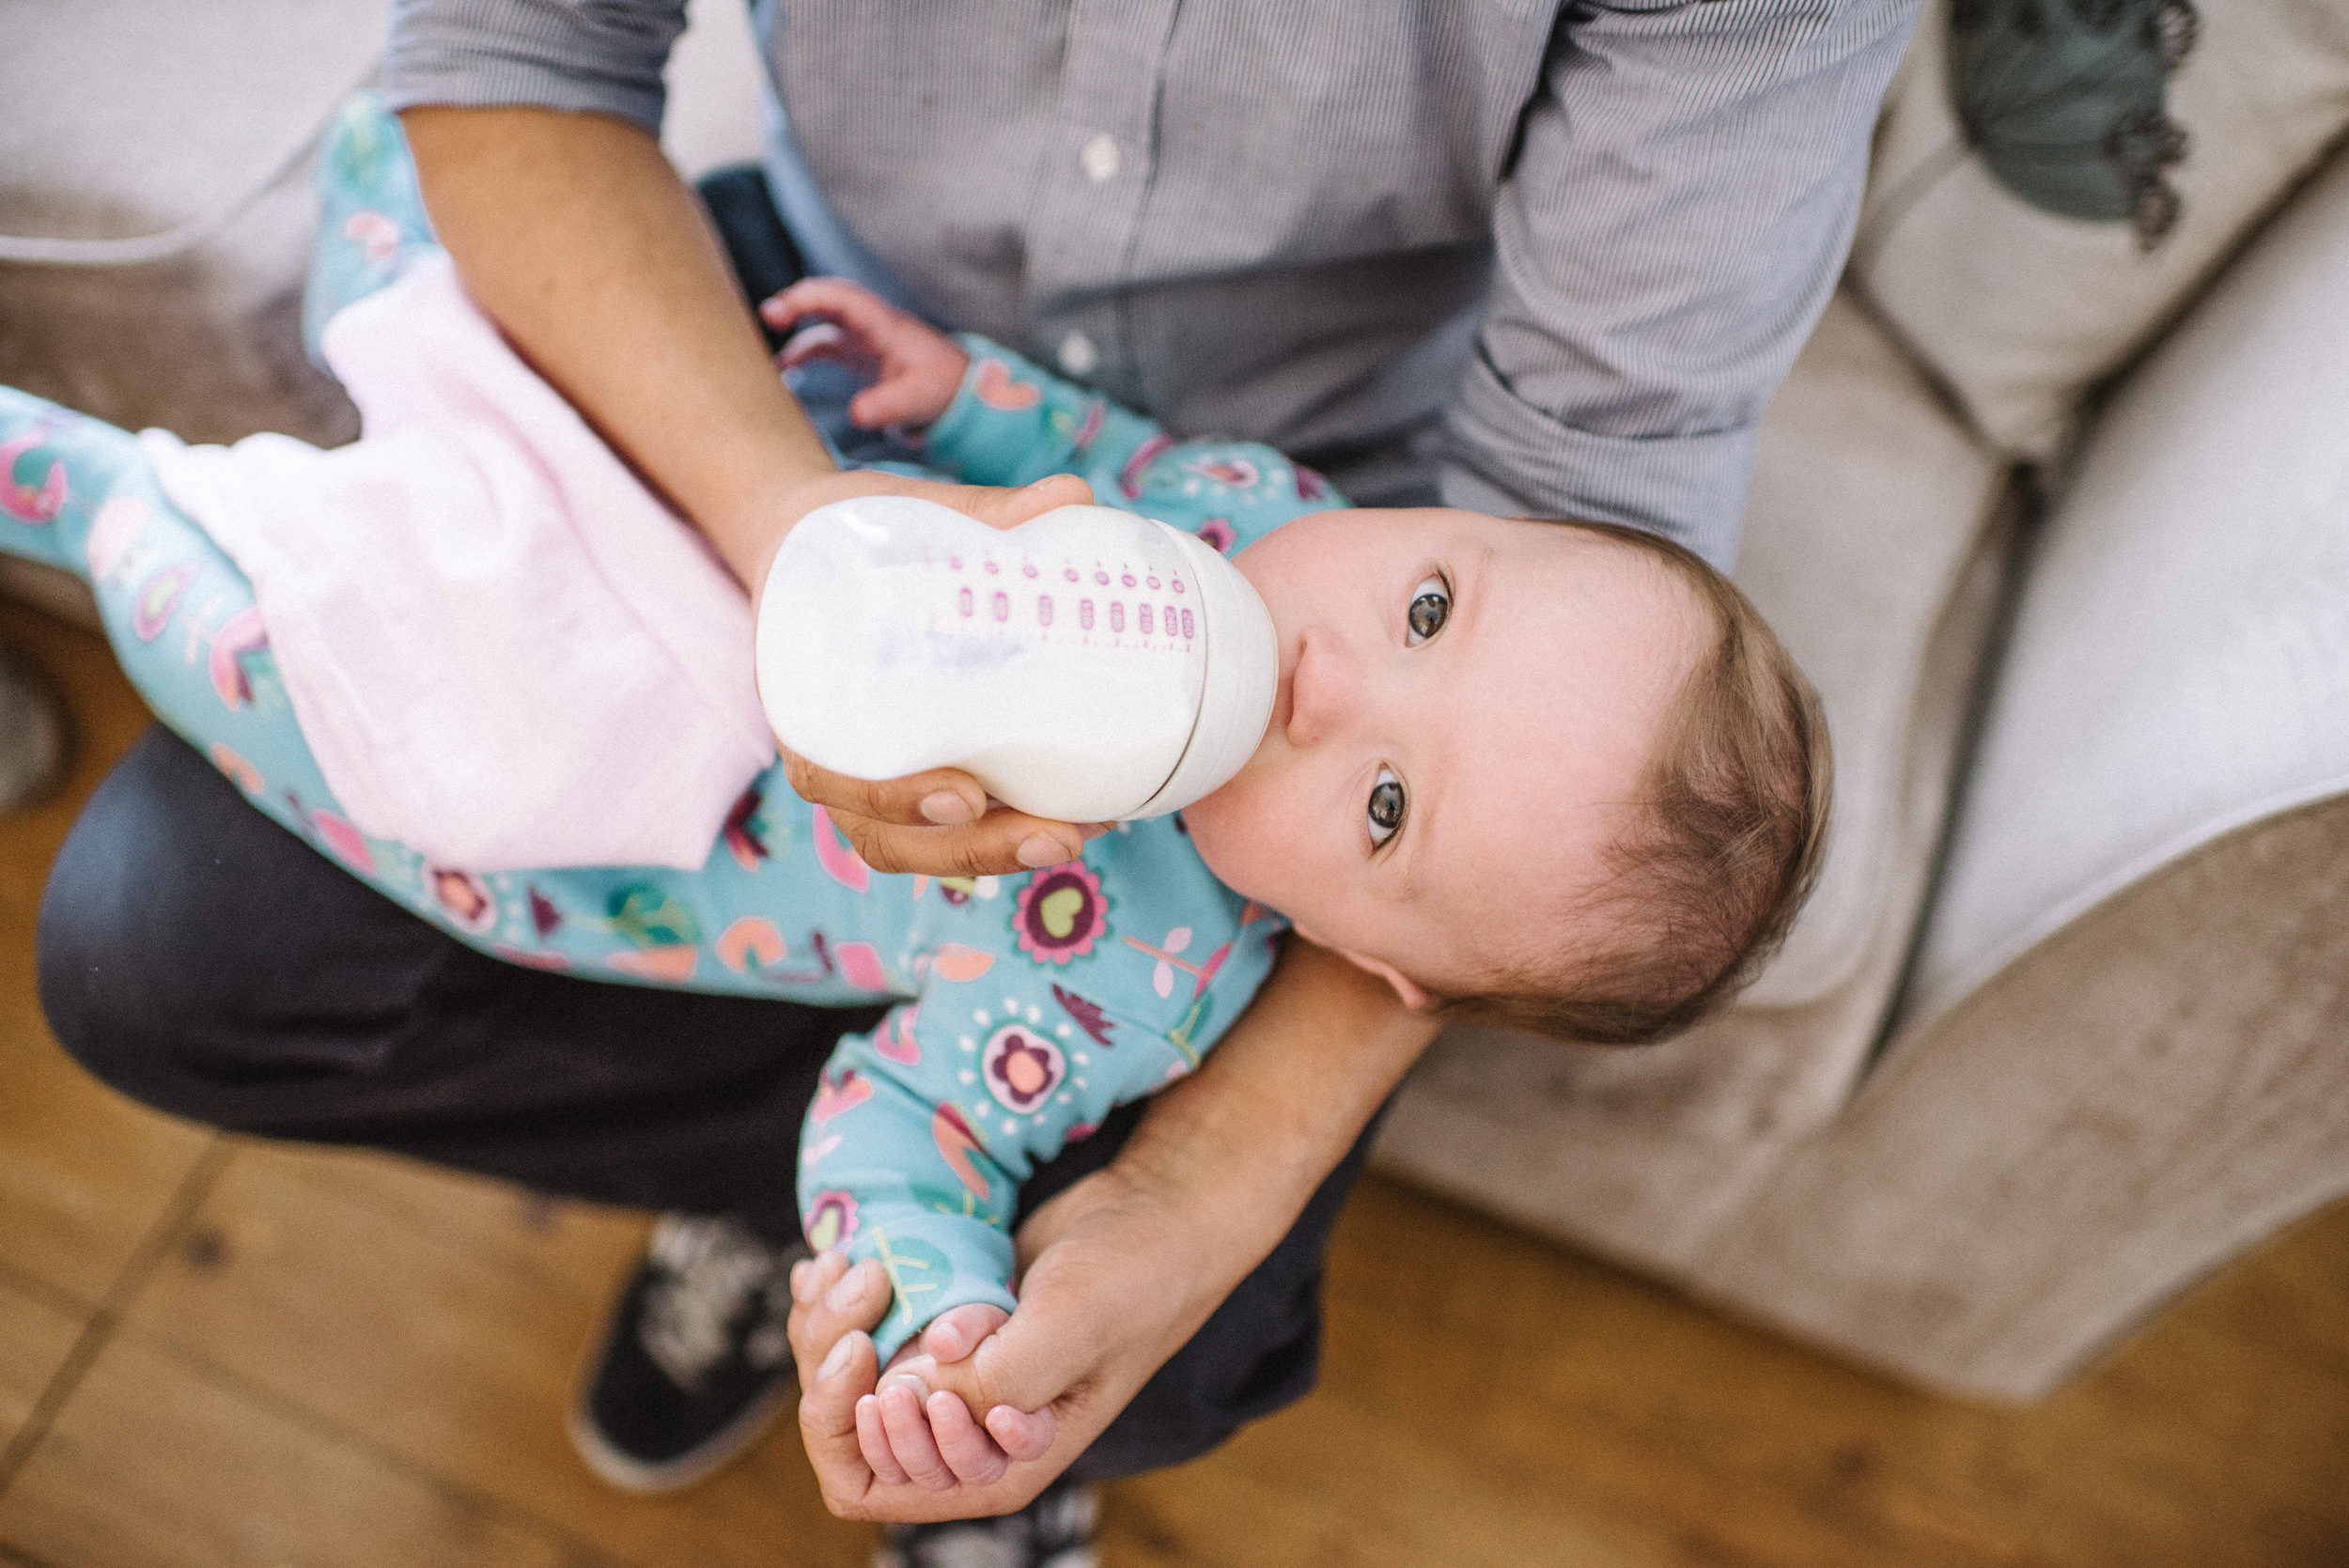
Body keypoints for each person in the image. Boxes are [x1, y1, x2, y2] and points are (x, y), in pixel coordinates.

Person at [37, 0, 1916, 1559]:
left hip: (714, 849)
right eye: (1425, 604)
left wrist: (972, 1277)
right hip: (792, 349)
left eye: (1381, 812)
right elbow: (1140, 460)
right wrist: (932, 423)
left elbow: (913, 1115)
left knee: (1163, 1352)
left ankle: (868, 1339)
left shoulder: (1123, 977)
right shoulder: (1285, 533)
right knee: (153, 952)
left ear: (1374, 951)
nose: (1325, 681)